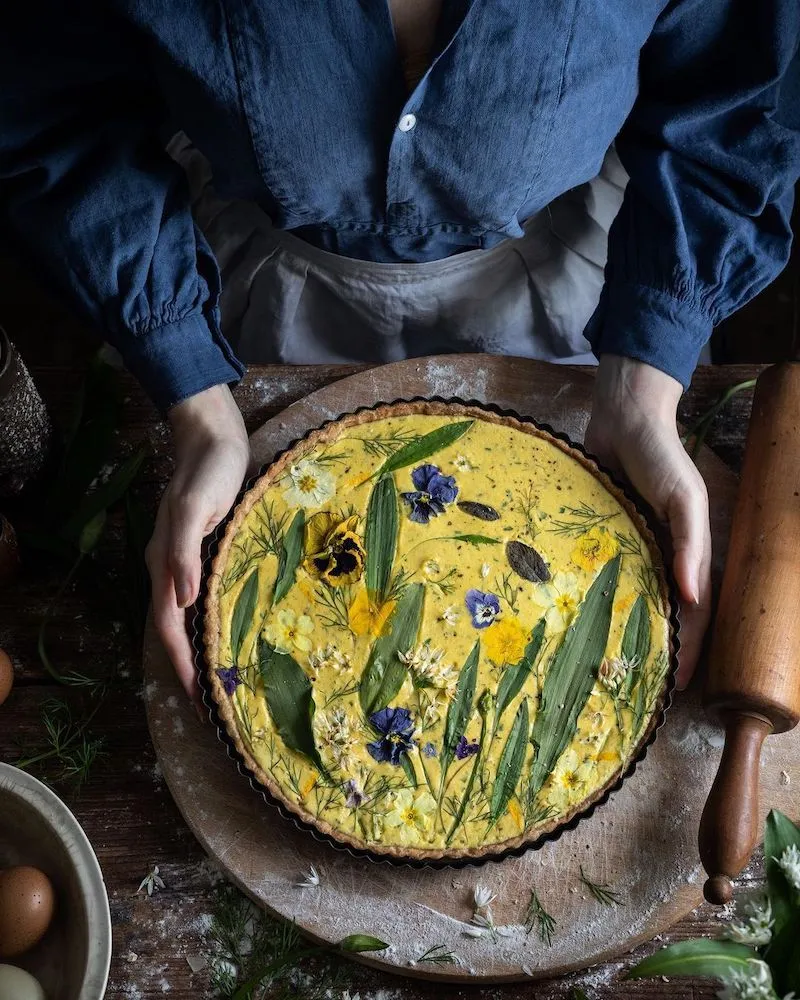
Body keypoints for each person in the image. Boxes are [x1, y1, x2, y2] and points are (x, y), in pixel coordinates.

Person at [2, 2, 799, 713]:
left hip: (576, 292)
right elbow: (55, 103)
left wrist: (643, 390)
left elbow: (731, 101)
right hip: (250, 289)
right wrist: (201, 406)